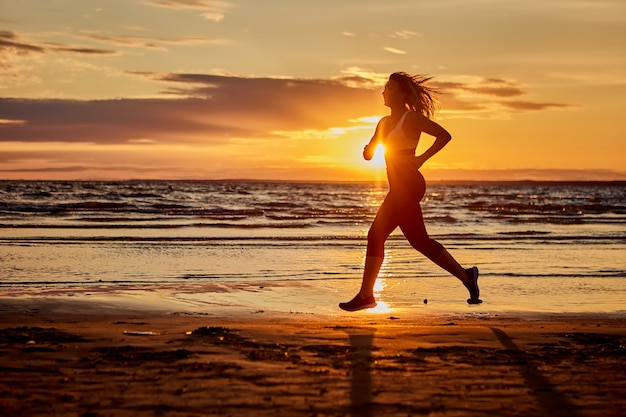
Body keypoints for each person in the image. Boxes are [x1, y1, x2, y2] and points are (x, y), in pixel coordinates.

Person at [339, 72, 481, 312]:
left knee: (375, 235)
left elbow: (444, 136)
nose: (384, 92)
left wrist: (421, 159)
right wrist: (367, 151)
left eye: (389, 88)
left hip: (410, 184)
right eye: (384, 89)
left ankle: (366, 295)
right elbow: (371, 151)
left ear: (402, 93)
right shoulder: (384, 123)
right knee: (420, 242)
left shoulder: (411, 118)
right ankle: (467, 276)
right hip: (397, 186)